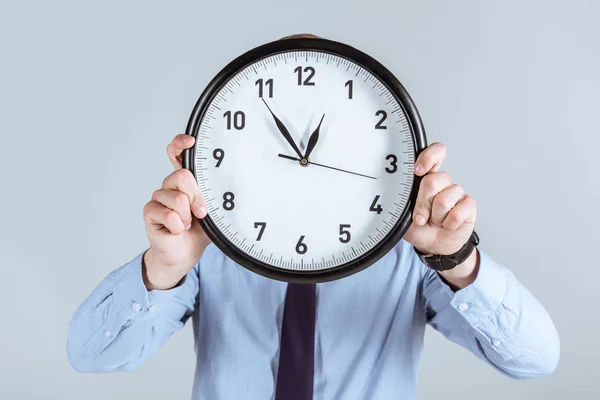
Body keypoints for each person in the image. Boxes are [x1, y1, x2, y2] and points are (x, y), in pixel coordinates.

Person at [67, 34, 560, 400]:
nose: (304, 163)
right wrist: (165, 267)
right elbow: (90, 356)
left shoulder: (412, 254)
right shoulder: (211, 244)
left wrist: (455, 258)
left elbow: (536, 359)